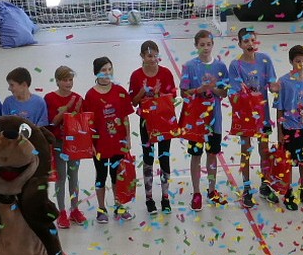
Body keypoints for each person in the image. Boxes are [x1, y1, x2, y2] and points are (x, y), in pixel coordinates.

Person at [228, 27, 280, 208]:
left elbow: (272, 85)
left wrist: (282, 86)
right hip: (245, 116)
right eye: (246, 41)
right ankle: (247, 188)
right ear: (240, 44)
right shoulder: (235, 66)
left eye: (252, 40)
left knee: (264, 150)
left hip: (263, 115)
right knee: (246, 150)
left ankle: (265, 185)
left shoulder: (265, 60)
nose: (250, 44)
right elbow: (235, 92)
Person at [181, 29, 230, 211]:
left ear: (212, 45)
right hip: (196, 121)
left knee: (212, 154)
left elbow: (224, 93)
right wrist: (199, 90)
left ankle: (211, 190)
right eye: (202, 45)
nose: (206, 48)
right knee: (196, 155)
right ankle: (196, 192)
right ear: (196, 46)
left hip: (214, 119)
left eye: (208, 44)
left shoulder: (220, 67)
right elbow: (183, 93)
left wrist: (213, 88)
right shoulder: (189, 66)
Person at [83, 56, 135, 224]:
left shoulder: (120, 91)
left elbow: (125, 117)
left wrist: (127, 139)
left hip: (118, 143)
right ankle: (101, 208)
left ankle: (119, 205)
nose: (107, 73)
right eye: (103, 70)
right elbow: (88, 123)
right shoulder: (91, 95)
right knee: (101, 175)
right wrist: (90, 144)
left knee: (116, 175)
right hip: (100, 145)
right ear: (96, 73)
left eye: (109, 69)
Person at [129, 41, 177, 216]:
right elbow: (133, 102)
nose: (152, 59)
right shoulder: (136, 76)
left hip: (164, 121)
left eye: (155, 55)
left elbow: (173, 97)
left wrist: (158, 94)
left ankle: (165, 197)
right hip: (146, 122)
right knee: (148, 158)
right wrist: (143, 92)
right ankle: (149, 198)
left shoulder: (166, 73)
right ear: (142, 56)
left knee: (164, 157)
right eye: (149, 56)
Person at [274, 44, 303, 211]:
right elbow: (279, 108)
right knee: (288, 163)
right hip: (289, 129)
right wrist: (279, 132)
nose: (301, 64)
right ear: (291, 62)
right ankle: (288, 193)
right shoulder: (283, 82)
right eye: (297, 61)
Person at [44, 66, 85, 228]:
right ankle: (61, 211)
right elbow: (53, 122)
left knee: (73, 176)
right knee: (60, 177)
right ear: (57, 81)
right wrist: (67, 108)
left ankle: (74, 209)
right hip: (59, 143)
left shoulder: (78, 98)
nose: (68, 83)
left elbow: (81, 123)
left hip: (74, 144)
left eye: (70, 80)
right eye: (64, 80)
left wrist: (77, 111)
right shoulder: (50, 98)